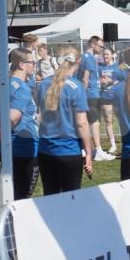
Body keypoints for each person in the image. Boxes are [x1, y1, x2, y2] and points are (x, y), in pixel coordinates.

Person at [34, 49, 93, 195]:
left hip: (45, 150)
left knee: (50, 196)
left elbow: (39, 115)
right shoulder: (76, 86)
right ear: (78, 62)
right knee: (71, 198)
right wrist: (89, 153)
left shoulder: (43, 85)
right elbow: (82, 123)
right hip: (68, 150)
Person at [0, 48, 40, 199]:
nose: (34, 65)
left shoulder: (3, 87)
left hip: (6, 147)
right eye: (32, 62)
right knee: (23, 195)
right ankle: (17, 222)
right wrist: (4, 134)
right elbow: (13, 118)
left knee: (11, 191)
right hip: (23, 147)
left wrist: (1, 134)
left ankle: (9, 220)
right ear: (22, 65)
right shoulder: (22, 88)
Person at [77, 35, 114, 161]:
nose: (102, 49)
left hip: (90, 93)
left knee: (88, 122)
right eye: (100, 46)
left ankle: (88, 149)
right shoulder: (90, 58)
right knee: (95, 123)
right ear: (93, 44)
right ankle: (98, 150)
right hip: (91, 95)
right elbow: (85, 79)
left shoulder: (83, 57)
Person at [99, 47, 123, 154]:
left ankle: (126, 141)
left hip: (117, 97)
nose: (105, 56)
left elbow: (124, 80)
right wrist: (101, 82)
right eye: (104, 55)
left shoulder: (118, 67)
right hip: (105, 97)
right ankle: (113, 145)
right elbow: (96, 80)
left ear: (112, 55)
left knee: (122, 120)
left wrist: (111, 80)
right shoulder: (100, 68)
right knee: (108, 121)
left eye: (107, 54)